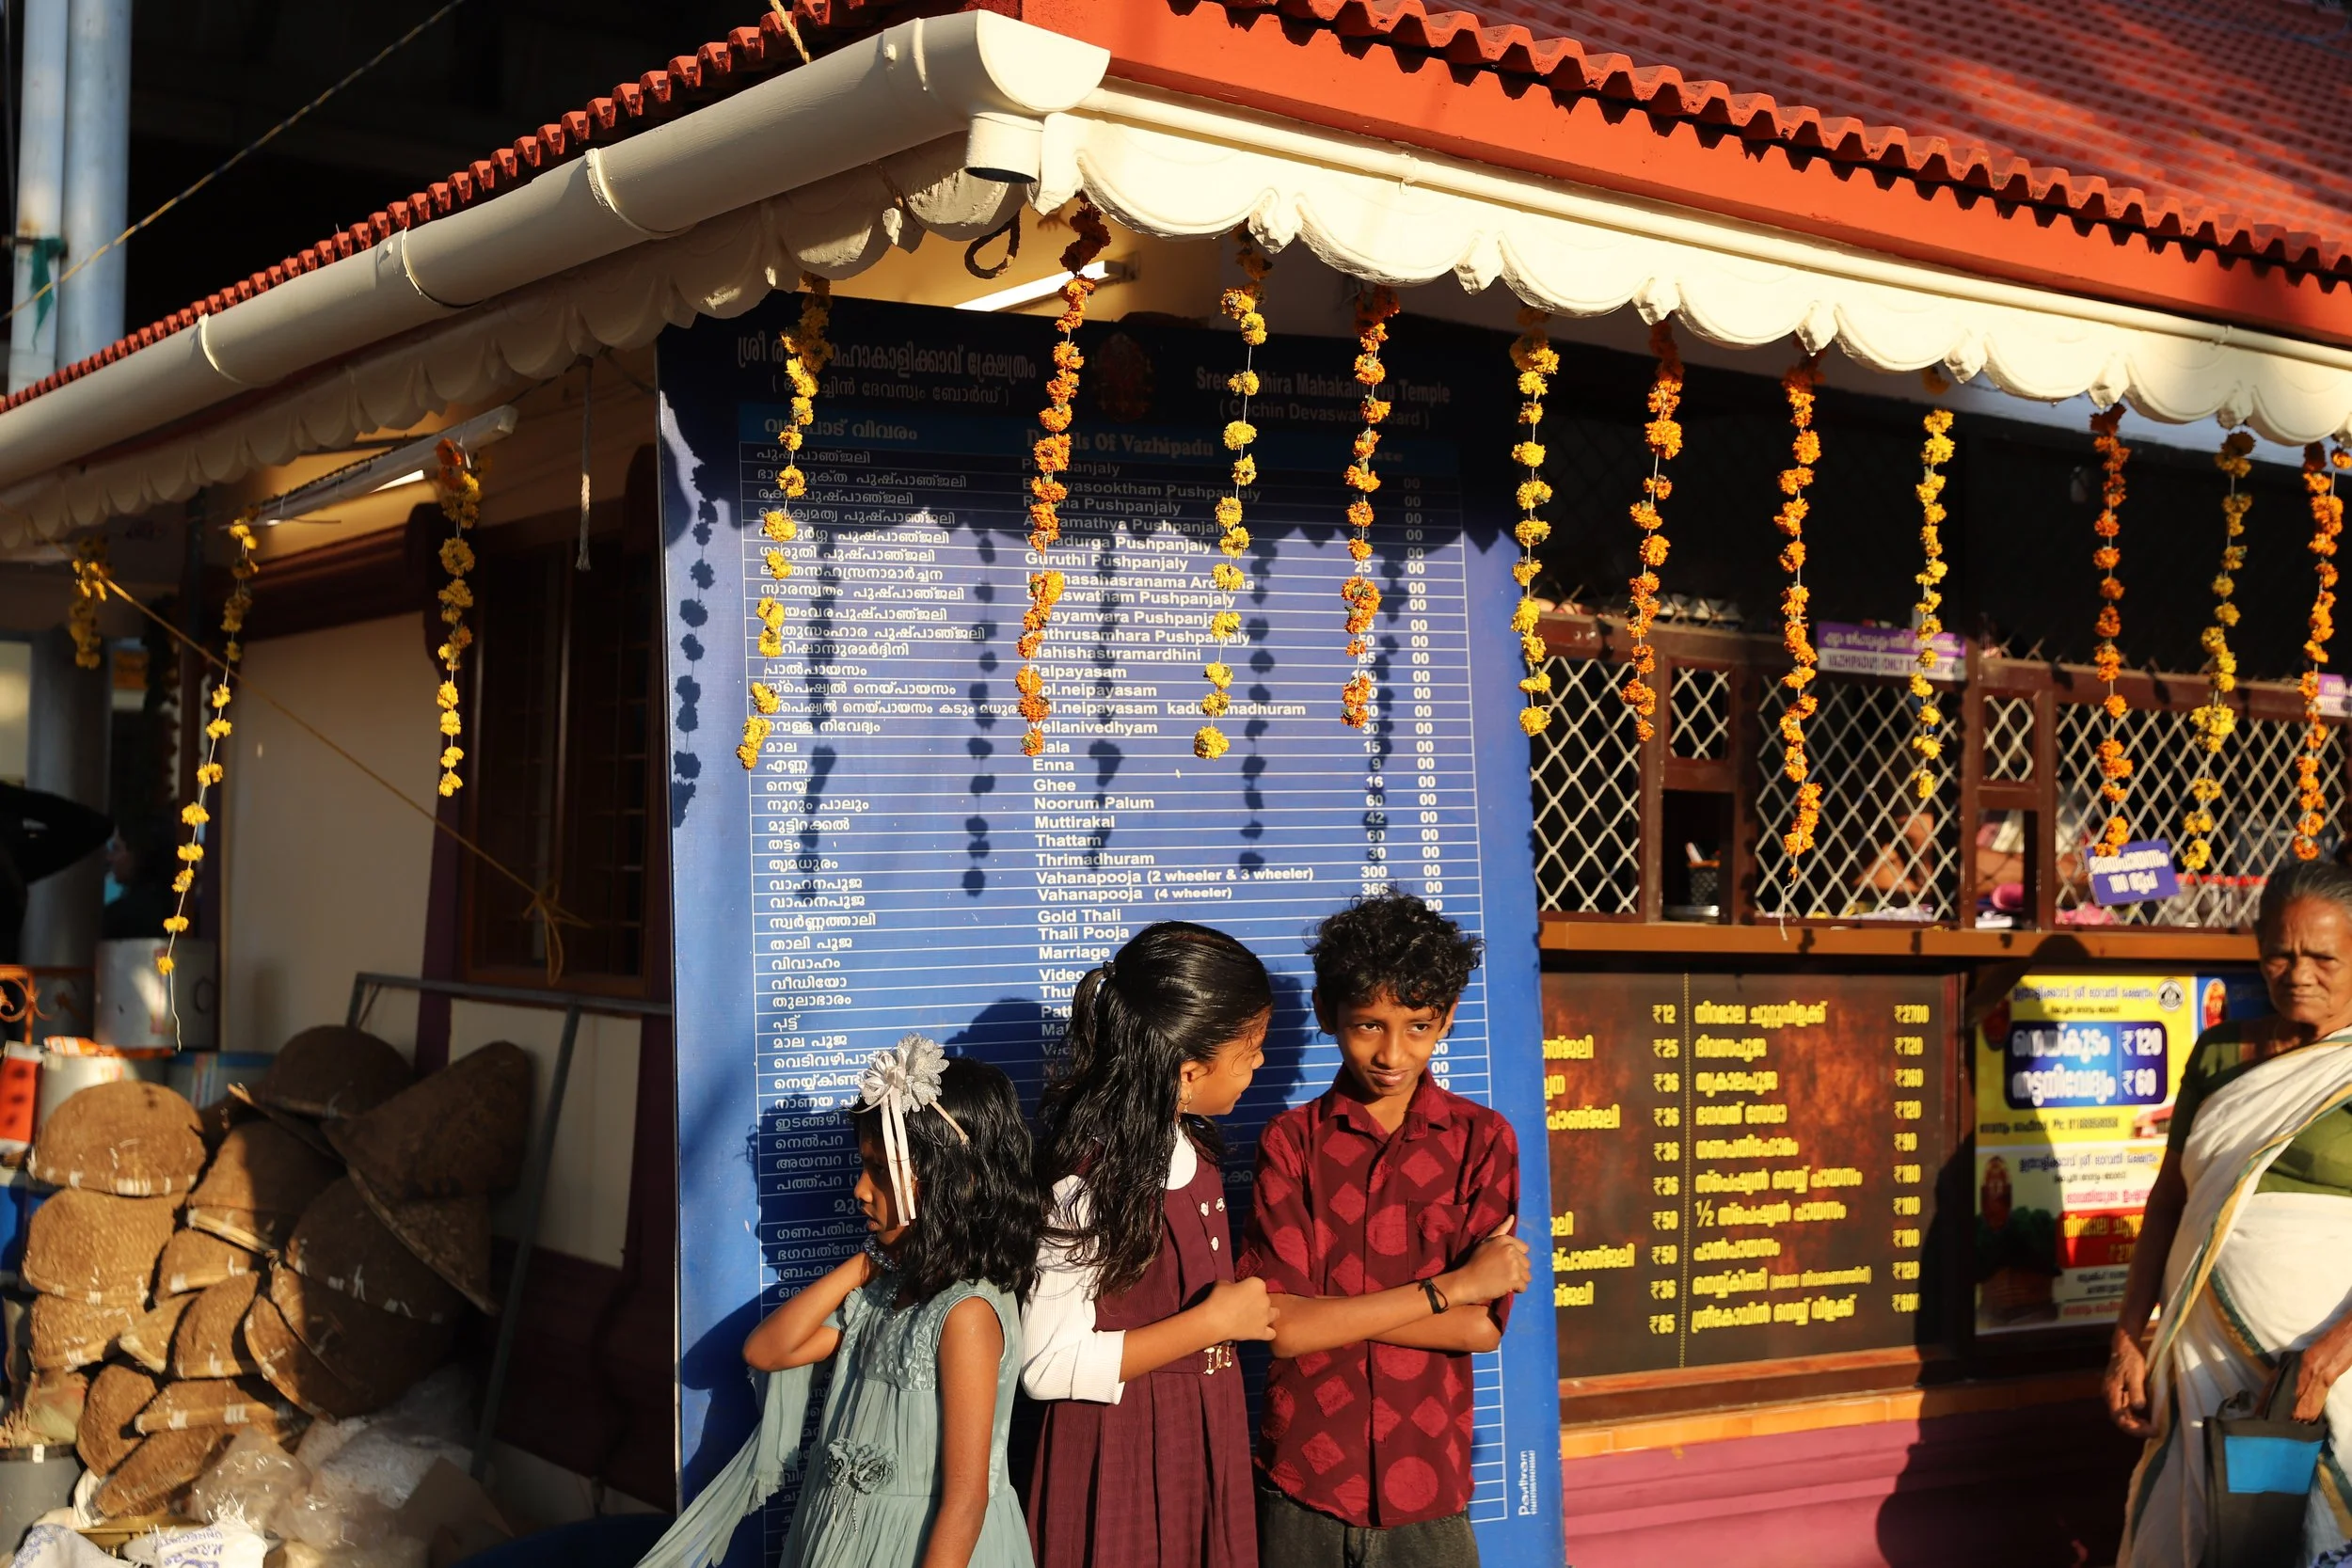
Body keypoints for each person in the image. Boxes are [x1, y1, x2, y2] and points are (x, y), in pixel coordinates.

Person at [1238, 891, 1530, 1568]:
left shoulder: (1482, 1142)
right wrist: (1451, 1286)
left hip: (1428, 1480)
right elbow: (1282, 1325)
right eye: (1368, 1025)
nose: (1393, 1052)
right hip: (1304, 1478)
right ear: (1326, 1015)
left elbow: (1480, 1328)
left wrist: (1329, 1308)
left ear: (1448, 1018)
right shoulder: (1292, 1143)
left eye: (1419, 1025)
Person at [2106, 859, 2352, 1567]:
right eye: (2279, 951)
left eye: (2323, 956)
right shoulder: (2222, 1054)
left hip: (2329, 1367)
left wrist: (2335, 1351)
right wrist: (2129, 1333)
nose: (2297, 972)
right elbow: (2171, 1198)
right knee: (2205, 1534)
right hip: (2204, 1362)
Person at [1021, 922, 1277, 1568]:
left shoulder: (1197, 1152)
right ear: (1190, 1072)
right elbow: (1045, 1366)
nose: (1261, 1063)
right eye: (1250, 1049)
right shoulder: (1086, 1183)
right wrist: (1212, 1322)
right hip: (1120, 1456)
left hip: (1203, 1441)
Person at [740, 1041, 1043, 1568]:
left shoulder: (967, 1314)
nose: (860, 1189)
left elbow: (967, 1499)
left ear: (957, 1178)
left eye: (880, 1171)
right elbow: (768, 1350)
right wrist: (864, 1264)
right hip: (846, 1542)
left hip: (923, 1549)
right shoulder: (881, 1293)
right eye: (864, 1168)